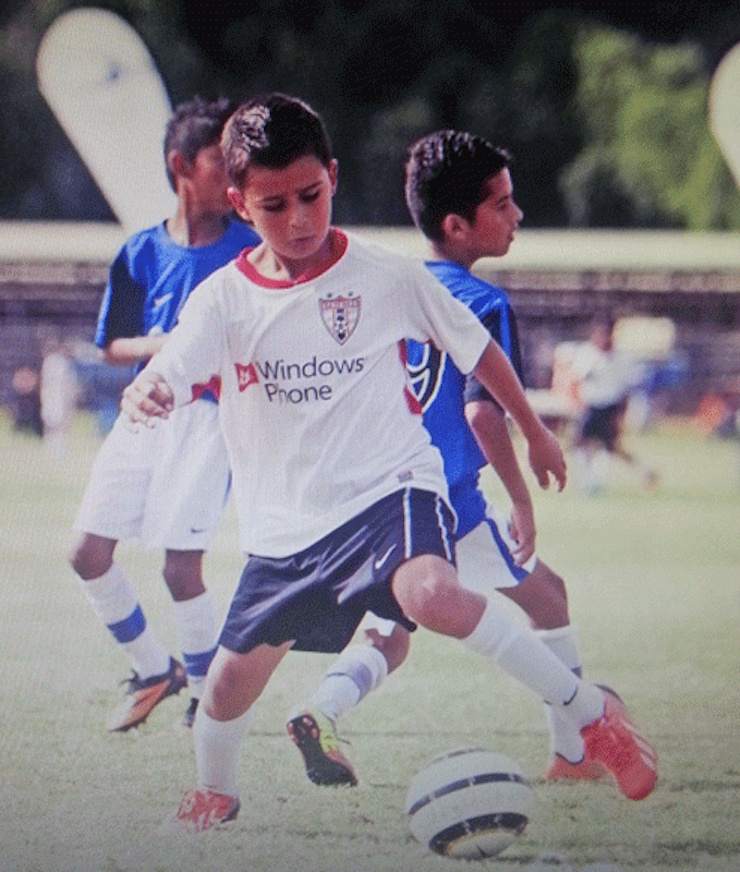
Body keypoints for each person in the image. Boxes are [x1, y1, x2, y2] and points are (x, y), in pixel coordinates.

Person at [120, 94, 657, 831]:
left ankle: (591, 716)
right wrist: (146, 392)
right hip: (286, 533)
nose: (301, 218)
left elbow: (476, 348)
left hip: (389, 490)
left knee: (433, 592)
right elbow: (172, 368)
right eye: (275, 205)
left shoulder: (386, 275)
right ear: (241, 205)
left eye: (312, 195)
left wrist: (534, 430)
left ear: (333, 177)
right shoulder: (223, 300)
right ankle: (216, 789)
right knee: (223, 694)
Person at [287, 130, 649, 789]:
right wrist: (522, 496)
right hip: (448, 499)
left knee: (388, 631)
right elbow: (483, 412)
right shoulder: (482, 301)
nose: (517, 216)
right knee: (548, 598)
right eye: (503, 206)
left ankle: (320, 710)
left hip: (374, 499)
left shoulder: (387, 286)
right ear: (458, 225)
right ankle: (574, 754)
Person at [69, 96, 260, 732]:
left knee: (181, 569)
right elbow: (111, 346)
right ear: (182, 164)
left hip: (207, 419)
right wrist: (167, 343)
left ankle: (206, 698)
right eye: (218, 161)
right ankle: (155, 668)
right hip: (144, 412)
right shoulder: (140, 252)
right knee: (86, 553)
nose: (233, 175)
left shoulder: (249, 251)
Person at [571, 315, 659, 494]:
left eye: (607, 333)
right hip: (590, 405)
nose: (603, 338)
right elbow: (575, 381)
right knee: (580, 443)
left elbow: (626, 387)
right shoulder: (586, 353)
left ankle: (595, 483)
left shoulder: (621, 357)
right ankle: (588, 480)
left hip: (610, 406)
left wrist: (621, 412)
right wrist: (577, 405)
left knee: (608, 446)